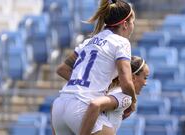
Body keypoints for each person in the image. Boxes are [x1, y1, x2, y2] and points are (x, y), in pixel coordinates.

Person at [51, 0, 137, 134]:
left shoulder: (88, 41)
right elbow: (126, 82)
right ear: (125, 24)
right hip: (81, 107)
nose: (133, 26)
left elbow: (62, 69)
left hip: (60, 106)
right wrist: (132, 102)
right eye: (133, 22)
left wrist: (85, 85)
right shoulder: (121, 42)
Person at [79, 56, 150, 135]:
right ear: (133, 77)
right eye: (145, 77)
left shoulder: (111, 91)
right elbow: (96, 105)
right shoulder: (123, 96)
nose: (145, 83)